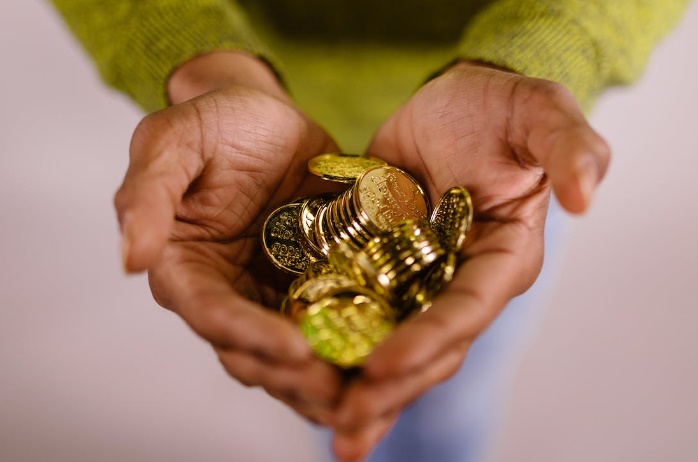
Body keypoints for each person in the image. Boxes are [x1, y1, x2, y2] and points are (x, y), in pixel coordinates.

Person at [49, 1, 688, 461]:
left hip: (492, 159)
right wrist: (198, 57)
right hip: (256, 99)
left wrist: (551, 39)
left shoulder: (483, 189)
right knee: (334, 390)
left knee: (452, 390)